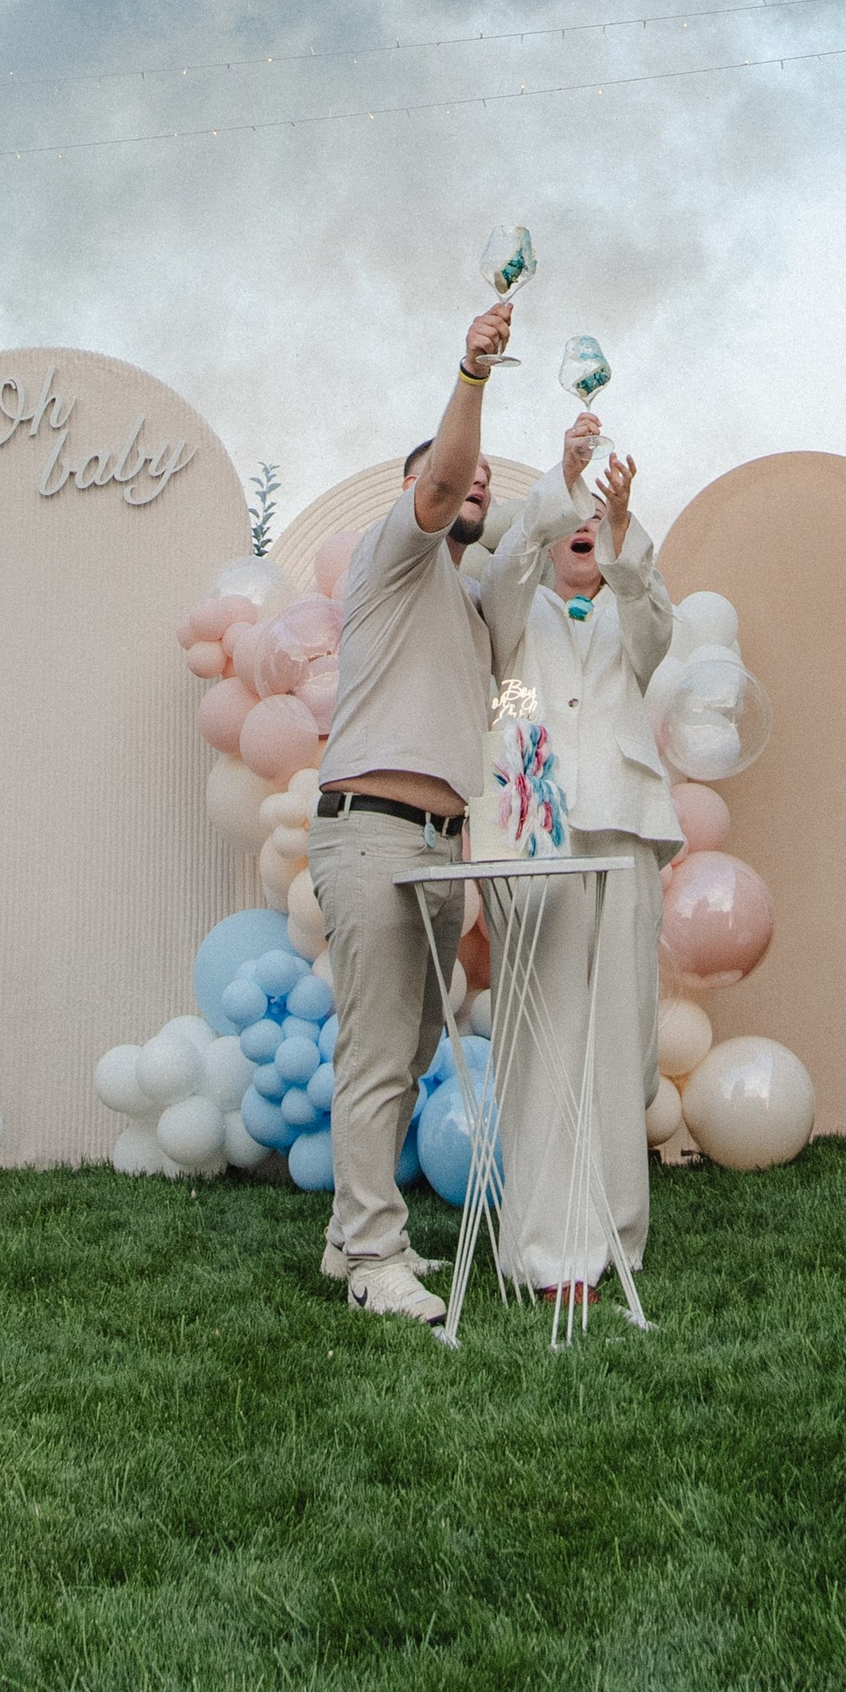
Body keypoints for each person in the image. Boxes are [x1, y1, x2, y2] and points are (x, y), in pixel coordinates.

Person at [304, 290, 511, 1324]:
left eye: (484, 482)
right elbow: (441, 477)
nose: (474, 484)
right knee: (378, 1051)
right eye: (459, 474)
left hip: (437, 846)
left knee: (414, 1045)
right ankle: (376, 1260)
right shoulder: (395, 554)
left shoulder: (466, 607)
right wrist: (472, 372)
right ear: (417, 490)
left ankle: (350, 1238)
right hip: (373, 835)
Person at [478, 411, 680, 1301]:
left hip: (624, 828)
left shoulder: (632, 613)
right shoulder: (513, 613)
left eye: (599, 524)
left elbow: (653, 626)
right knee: (546, 1033)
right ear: (553, 528)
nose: (585, 532)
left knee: (619, 1036)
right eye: (576, 521)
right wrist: (561, 480)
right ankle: (548, 1250)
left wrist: (625, 529)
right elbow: (507, 568)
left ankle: (615, 1235)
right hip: (536, 831)